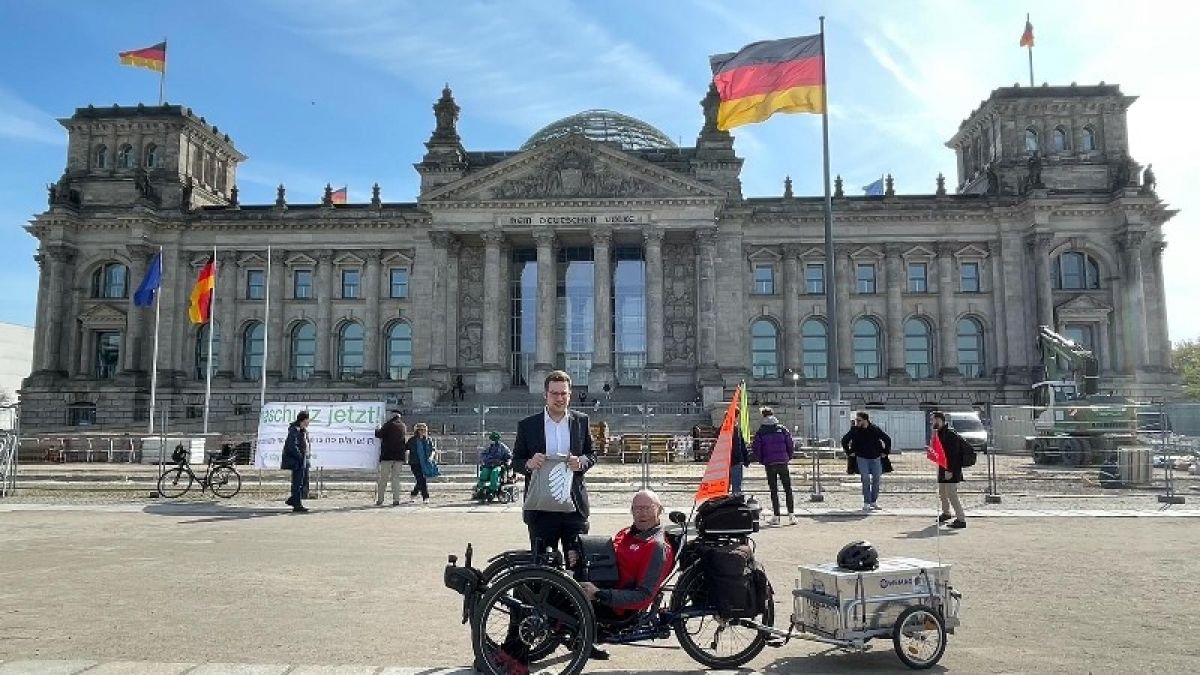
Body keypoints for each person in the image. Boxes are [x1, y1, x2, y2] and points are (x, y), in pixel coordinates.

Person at [577, 489, 676, 660]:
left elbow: (644, 595)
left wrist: (599, 594)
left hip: (616, 607)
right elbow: (607, 563)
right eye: (637, 508)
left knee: (553, 595)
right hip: (600, 587)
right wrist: (579, 557)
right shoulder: (625, 534)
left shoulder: (657, 547)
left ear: (659, 510)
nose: (642, 513)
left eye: (647, 508)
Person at [513, 370, 597, 556]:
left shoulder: (581, 421)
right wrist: (529, 463)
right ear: (545, 395)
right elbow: (516, 461)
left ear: (570, 395)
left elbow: (591, 454)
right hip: (541, 509)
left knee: (578, 565)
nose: (559, 398)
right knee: (543, 567)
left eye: (563, 393)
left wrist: (581, 462)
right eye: (554, 393)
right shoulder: (528, 425)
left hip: (574, 508)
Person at [751, 407, 796, 526]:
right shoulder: (782, 429)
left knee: (774, 490)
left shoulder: (761, 431)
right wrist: (788, 457)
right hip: (782, 462)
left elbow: (756, 448)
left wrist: (762, 460)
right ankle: (792, 515)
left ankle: (776, 516)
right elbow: (790, 444)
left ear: (763, 416)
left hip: (770, 463)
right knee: (788, 489)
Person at [841, 411, 893, 512]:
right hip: (862, 458)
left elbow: (887, 439)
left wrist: (885, 452)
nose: (857, 422)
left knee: (876, 479)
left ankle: (873, 501)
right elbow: (844, 440)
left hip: (875, 458)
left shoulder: (875, 429)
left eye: (859, 420)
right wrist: (849, 452)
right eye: (856, 420)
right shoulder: (855, 430)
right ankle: (866, 502)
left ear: (865, 420)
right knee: (865, 479)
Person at [931, 411, 969, 529]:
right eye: (933, 420)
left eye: (936, 420)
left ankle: (961, 519)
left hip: (951, 469)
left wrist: (950, 470)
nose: (934, 422)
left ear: (942, 421)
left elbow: (954, 454)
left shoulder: (950, 434)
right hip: (943, 467)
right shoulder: (939, 433)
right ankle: (946, 513)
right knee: (942, 493)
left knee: (952, 494)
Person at [374, 409, 408, 506]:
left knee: (383, 479)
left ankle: (380, 499)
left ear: (392, 415)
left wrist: (377, 428)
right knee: (396, 479)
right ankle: (396, 499)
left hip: (387, 455)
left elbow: (379, 434)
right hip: (399, 456)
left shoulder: (389, 424)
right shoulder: (403, 426)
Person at [280, 411, 311, 513]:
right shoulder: (294, 430)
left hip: (303, 460)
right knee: (297, 483)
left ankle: (293, 500)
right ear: (303, 420)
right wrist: (300, 456)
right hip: (298, 460)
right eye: (307, 419)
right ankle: (296, 504)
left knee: (303, 482)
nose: (308, 422)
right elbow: (292, 445)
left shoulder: (302, 430)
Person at [405, 422, 438, 504]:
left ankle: (413, 494)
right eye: (420, 429)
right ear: (417, 431)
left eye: (423, 430)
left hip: (425, 462)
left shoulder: (428, 440)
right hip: (415, 462)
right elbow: (406, 448)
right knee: (421, 479)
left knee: (420, 480)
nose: (422, 431)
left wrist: (431, 457)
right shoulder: (412, 440)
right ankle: (425, 497)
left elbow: (433, 450)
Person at [475, 431, 512, 501]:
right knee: (484, 472)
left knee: (494, 472)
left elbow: (509, 456)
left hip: (498, 465)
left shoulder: (503, 447)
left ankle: (492, 490)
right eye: (492, 439)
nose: (493, 441)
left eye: (494, 439)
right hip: (489, 465)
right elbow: (483, 455)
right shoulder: (489, 448)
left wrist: (507, 463)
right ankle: (481, 488)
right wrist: (487, 460)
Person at [731, 418, 751, 495]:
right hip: (735, 460)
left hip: (725, 461)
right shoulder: (736, 429)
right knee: (736, 484)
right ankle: (735, 500)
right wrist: (743, 459)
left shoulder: (722, 429)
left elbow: (741, 445)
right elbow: (739, 446)